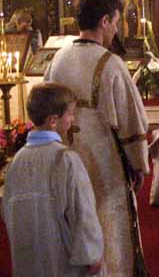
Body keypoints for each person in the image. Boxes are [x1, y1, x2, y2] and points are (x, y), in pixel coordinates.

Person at [44, 0, 150, 276]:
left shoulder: (58, 59)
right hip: (104, 163)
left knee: (69, 218)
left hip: (62, 156)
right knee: (108, 221)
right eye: (115, 23)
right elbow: (130, 121)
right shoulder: (111, 63)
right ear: (104, 21)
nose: (115, 29)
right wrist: (138, 164)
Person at [2, 82, 103, 276]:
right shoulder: (66, 159)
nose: (73, 119)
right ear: (53, 120)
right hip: (62, 257)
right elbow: (82, 210)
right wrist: (92, 254)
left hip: (27, 256)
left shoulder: (17, 160)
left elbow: (8, 210)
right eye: (70, 114)